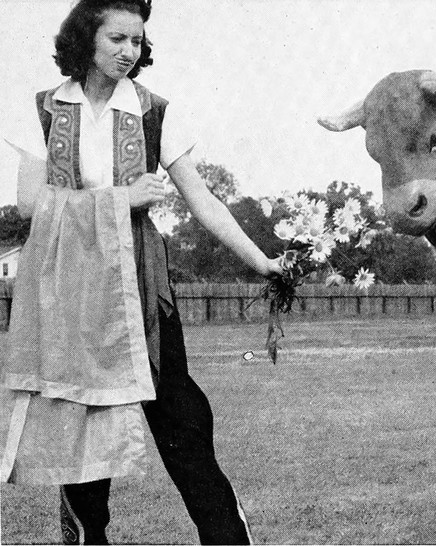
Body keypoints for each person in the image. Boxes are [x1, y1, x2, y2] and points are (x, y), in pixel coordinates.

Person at [0, 1, 281, 543]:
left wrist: (261, 260)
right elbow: (31, 203)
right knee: (82, 422)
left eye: (137, 40)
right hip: (70, 287)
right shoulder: (44, 108)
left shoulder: (152, 111)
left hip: (141, 285)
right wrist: (121, 198)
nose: (130, 51)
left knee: (181, 419)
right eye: (118, 39)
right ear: (86, 39)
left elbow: (202, 199)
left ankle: (227, 537)